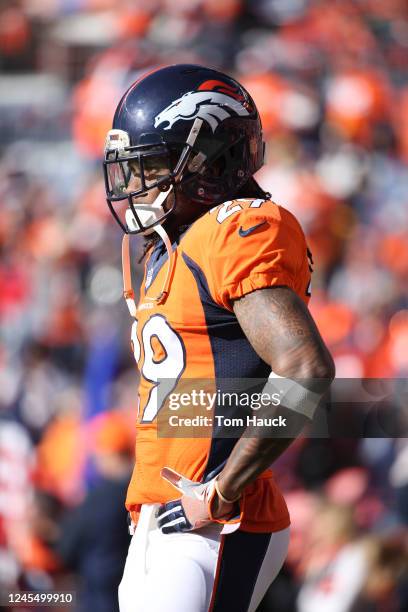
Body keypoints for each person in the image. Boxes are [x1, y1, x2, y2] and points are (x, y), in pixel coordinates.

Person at [102, 63, 335, 612]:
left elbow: (305, 368)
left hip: (215, 521)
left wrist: (224, 489)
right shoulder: (172, 243)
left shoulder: (237, 226)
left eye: (153, 166)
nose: (136, 185)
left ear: (210, 160)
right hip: (163, 518)